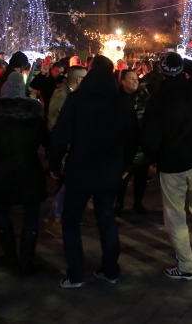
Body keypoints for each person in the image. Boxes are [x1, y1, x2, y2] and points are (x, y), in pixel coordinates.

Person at [49, 55, 138, 288]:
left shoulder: (77, 99)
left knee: (71, 221)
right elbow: (132, 139)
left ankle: (76, 274)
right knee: (106, 218)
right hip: (109, 169)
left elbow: (60, 134)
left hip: (80, 168)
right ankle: (110, 269)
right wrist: (126, 166)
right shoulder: (122, 102)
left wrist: (54, 164)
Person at [141, 54, 192, 280]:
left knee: (176, 217)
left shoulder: (157, 100)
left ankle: (186, 265)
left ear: (162, 71)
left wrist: (153, 157)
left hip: (171, 164)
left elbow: (150, 138)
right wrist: (186, 63)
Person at [0, 76, 47, 275]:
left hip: (6, 174)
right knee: (31, 216)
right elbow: (48, 142)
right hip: (30, 172)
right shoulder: (34, 118)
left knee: (2, 214)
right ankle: (26, 260)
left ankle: (10, 256)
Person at [43, 65, 88, 238]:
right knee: (66, 186)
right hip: (67, 149)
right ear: (78, 80)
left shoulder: (74, 96)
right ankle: (55, 218)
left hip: (74, 148)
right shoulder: (61, 96)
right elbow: (54, 124)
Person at [115, 69, 150, 215]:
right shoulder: (117, 98)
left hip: (141, 145)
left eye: (137, 78)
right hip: (124, 146)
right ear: (122, 81)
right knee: (122, 178)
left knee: (141, 177)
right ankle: (119, 203)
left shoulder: (143, 96)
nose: (136, 81)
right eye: (131, 78)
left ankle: (138, 202)